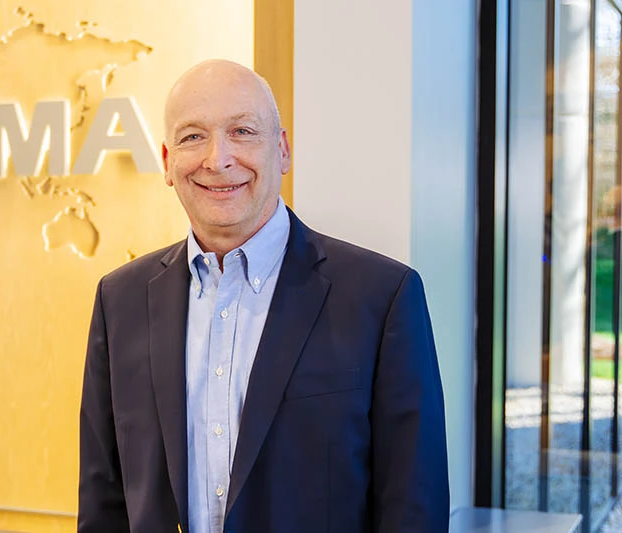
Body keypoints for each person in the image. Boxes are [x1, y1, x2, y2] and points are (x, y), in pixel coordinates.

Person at [78, 59, 449, 533]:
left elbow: (413, 508)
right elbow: (103, 499)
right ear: (169, 163)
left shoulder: (382, 297)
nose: (217, 158)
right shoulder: (121, 299)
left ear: (284, 150)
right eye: (193, 136)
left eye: (243, 131)